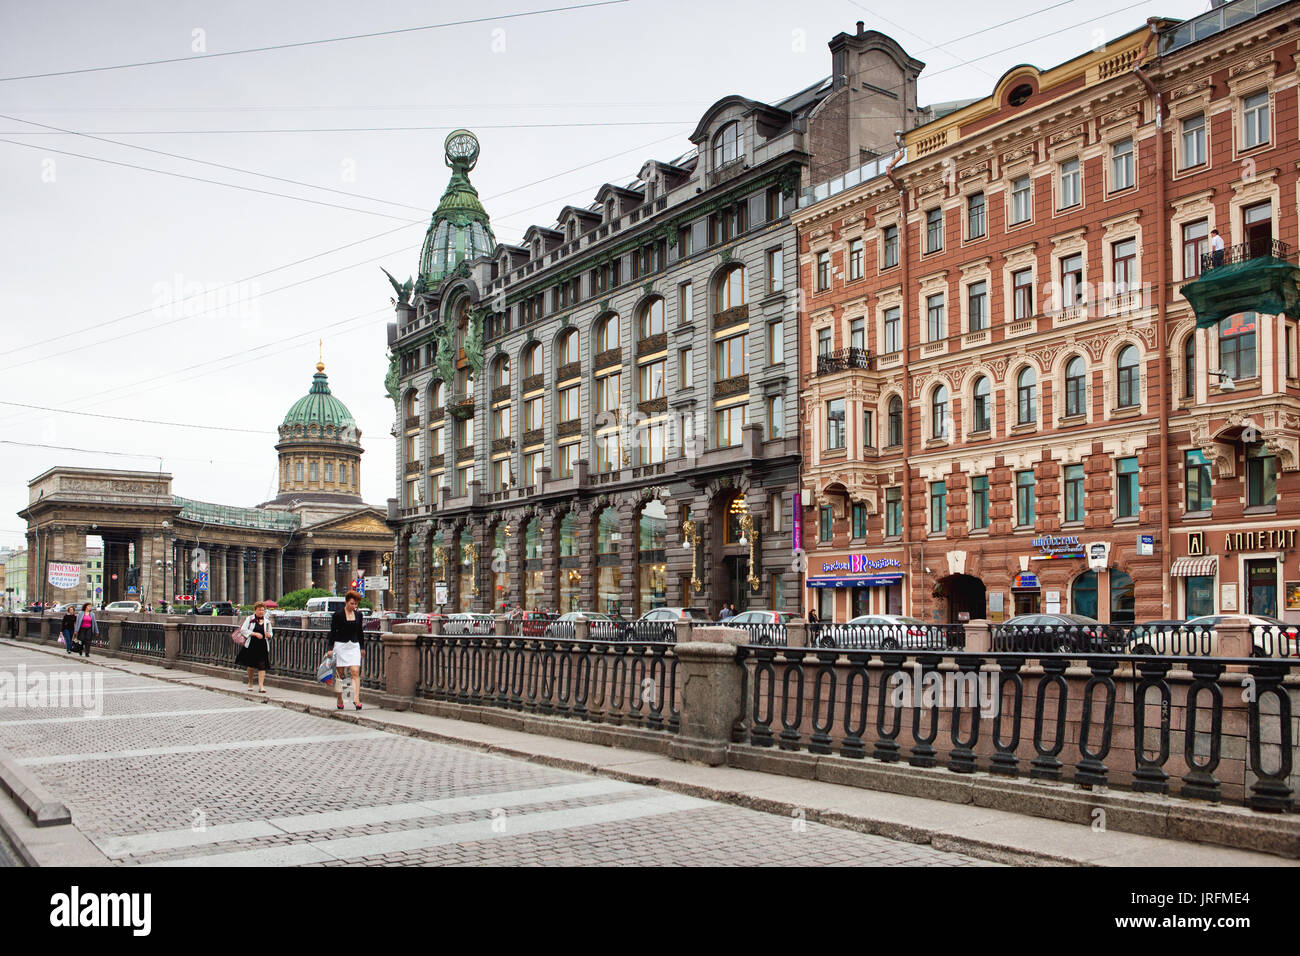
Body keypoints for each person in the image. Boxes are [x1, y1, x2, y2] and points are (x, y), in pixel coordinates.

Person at [328, 590, 366, 710]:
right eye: (352, 603)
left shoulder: (359, 615)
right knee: (340, 674)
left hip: (354, 645)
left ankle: (356, 699)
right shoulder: (338, 614)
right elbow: (332, 632)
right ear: (346, 602)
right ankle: (340, 698)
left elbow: (360, 632)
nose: (354, 606)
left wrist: (362, 647)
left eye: (356, 604)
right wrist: (330, 648)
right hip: (341, 645)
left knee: (355, 671)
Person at [235, 601, 274, 693]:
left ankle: (261, 686)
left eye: (263, 610)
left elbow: (271, 632)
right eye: (259, 610)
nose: (261, 612)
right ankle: (250, 682)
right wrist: (254, 634)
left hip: (262, 645)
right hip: (252, 645)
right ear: (255, 610)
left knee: (262, 666)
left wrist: (269, 635)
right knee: (251, 666)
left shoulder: (267, 621)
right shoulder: (250, 619)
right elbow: (243, 630)